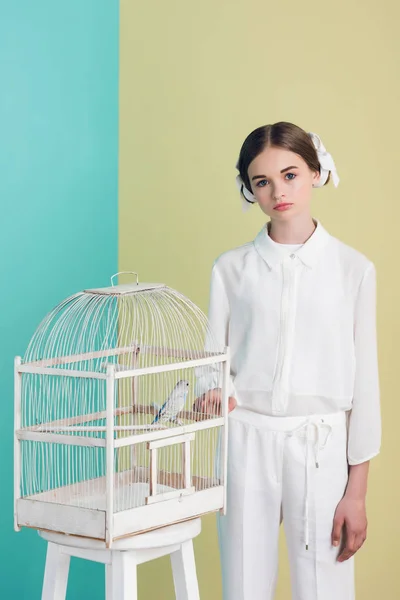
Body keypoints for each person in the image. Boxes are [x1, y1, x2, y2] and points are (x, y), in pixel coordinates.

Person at [193, 121, 381, 600]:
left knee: (325, 584)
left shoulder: (353, 270)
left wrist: (355, 493)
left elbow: (366, 387)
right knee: (243, 583)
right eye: (263, 181)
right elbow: (211, 365)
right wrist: (209, 393)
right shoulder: (230, 269)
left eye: (291, 174)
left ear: (316, 173)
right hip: (245, 440)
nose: (279, 191)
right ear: (249, 190)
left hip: (321, 444)